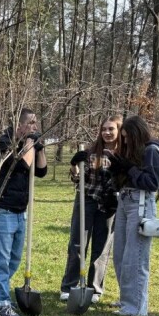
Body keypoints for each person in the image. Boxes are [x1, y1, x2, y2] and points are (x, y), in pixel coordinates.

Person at [0, 108, 47, 316]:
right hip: (3, 210)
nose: (34, 126)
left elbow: (41, 171)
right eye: (30, 123)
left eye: (35, 123)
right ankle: (2, 302)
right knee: (1, 261)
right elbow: (22, 164)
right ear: (18, 124)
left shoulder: (28, 144)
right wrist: (30, 142)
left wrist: (39, 148)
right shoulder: (4, 143)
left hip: (21, 211)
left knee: (14, 259)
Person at [105, 114, 159, 316]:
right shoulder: (134, 151)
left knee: (135, 255)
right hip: (126, 200)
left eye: (127, 137)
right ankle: (127, 298)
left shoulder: (151, 150)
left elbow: (152, 183)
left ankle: (136, 306)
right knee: (121, 254)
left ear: (137, 134)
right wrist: (117, 169)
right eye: (123, 137)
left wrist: (129, 169)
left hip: (140, 203)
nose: (125, 141)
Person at [60, 115, 122, 302]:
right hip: (86, 200)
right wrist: (74, 165)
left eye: (111, 129)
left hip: (109, 205)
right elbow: (77, 178)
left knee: (102, 247)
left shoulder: (123, 154)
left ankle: (94, 288)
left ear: (119, 131)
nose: (107, 132)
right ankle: (69, 286)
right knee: (77, 243)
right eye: (104, 129)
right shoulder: (91, 152)